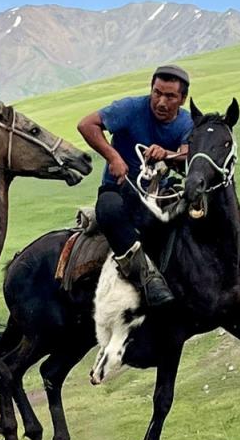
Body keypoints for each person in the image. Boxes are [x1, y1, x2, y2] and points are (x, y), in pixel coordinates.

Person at [77, 65, 194, 307]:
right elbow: (86, 124)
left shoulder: (186, 123)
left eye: (170, 96)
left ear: (182, 99)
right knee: (108, 209)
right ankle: (146, 277)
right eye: (157, 93)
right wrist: (113, 157)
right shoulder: (130, 108)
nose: (161, 102)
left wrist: (167, 155)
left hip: (157, 193)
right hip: (119, 188)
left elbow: (187, 154)